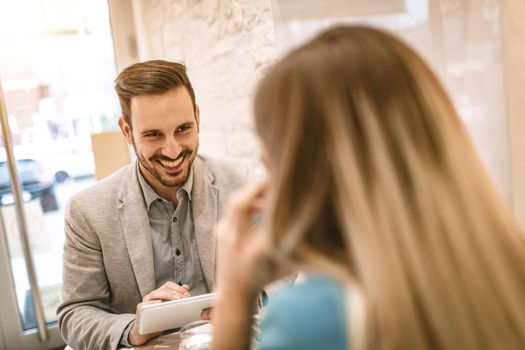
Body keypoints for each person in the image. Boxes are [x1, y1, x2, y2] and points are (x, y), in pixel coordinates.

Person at [210, 25, 525, 350]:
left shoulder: (310, 319)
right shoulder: (507, 268)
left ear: (302, 172)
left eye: (271, 160)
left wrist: (234, 296)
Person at [57, 60, 248, 350]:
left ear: (197, 117)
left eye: (183, 128)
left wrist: (248, 304)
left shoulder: (239, 184)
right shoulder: (87, 211)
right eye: (153, 134)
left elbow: (278, 278)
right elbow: (74, 315)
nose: (173, 150)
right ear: (126, 130)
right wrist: (134, 328)